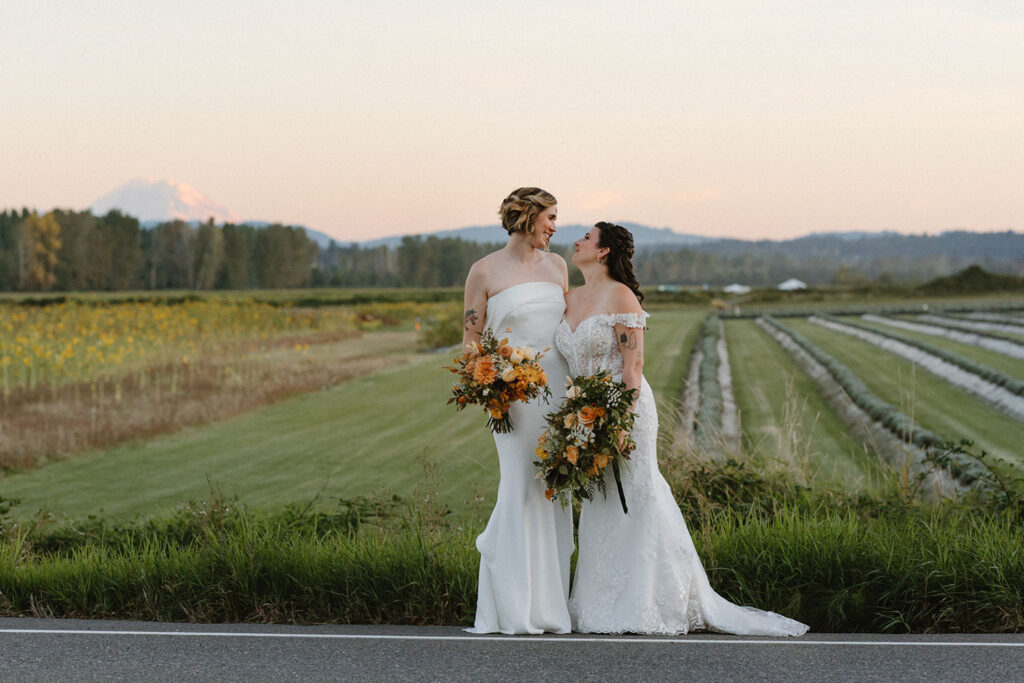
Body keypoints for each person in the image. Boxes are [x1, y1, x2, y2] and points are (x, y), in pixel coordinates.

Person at [558, 222, 808, 636]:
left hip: (625, 411)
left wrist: (621, 418)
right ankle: (598, 602)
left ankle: (653, 601)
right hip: (583, 416)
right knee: (600, 500)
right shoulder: (568, 298)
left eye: (587, 237)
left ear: (602, 252)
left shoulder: (620, 296)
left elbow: (633, 366)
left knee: (636, 496)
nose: (578, 241)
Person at [461, 187, 574, 634]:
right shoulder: (483, 270)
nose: (554, 226)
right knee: (518, 488)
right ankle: (511, 606)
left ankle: (549, 607)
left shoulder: (559, 266)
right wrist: (492, 384)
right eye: (550, 217)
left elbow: (565, 329)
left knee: (552, 491)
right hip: (513, 399)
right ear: (527, 218)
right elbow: (471, 341)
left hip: (559, 393)